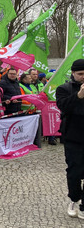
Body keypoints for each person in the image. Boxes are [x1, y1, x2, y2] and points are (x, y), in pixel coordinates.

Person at [56, 59, 84, 219]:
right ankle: (74, 198)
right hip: (73, 137)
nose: (83, 77)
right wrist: (79, 95)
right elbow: (63, 106)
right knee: (74, 171)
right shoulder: (64, 89)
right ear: (73, 73)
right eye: (80, 74)